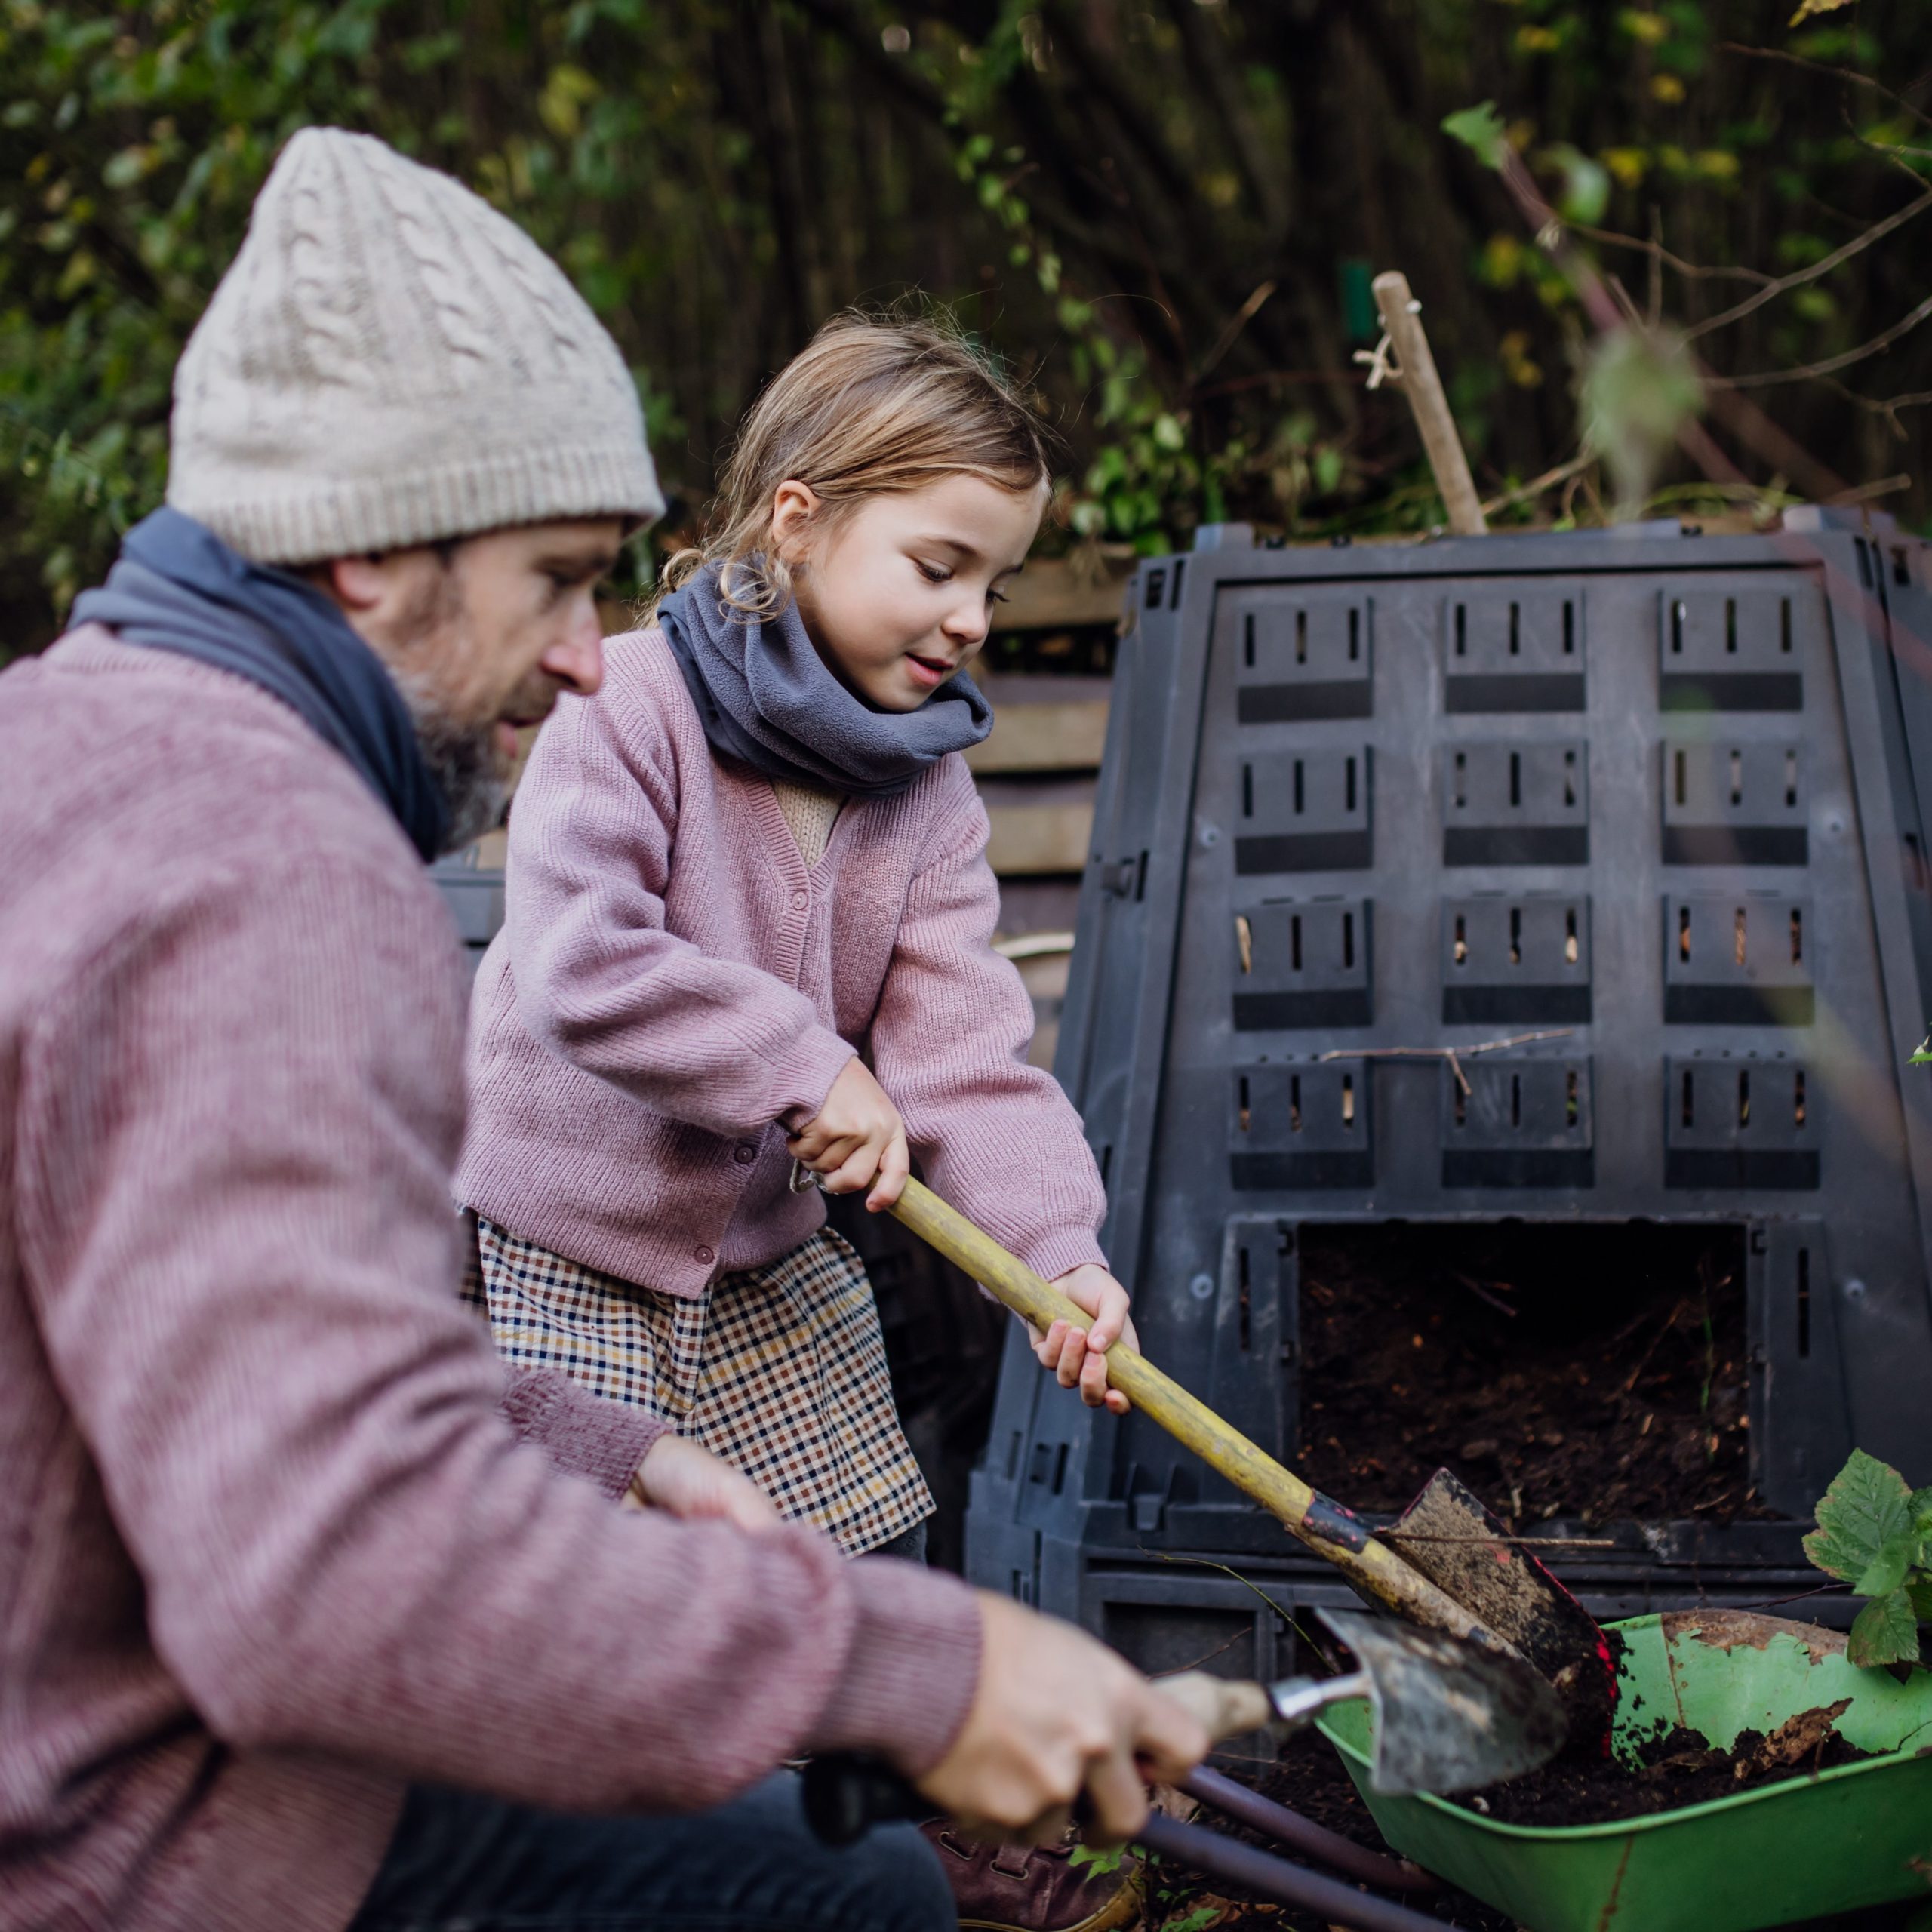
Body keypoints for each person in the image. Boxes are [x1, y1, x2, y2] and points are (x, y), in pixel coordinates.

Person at [0, 128, 1207, 1932]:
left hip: (105, 1716)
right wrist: (915, 1671)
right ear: (367, 561)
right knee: (852, 1900)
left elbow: (211, 1372)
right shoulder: (281, 879)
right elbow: (320, 1581)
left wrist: (583, 1444)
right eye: (558, 573)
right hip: (140, 1832)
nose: (583, 647)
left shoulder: (54, 743)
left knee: (855, 1830)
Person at [456, 315, 1135, 1584]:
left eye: (996, 586)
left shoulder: (927, 795)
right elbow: (580, 965)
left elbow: (965, 1065)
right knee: (599, 1601)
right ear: (798, 521)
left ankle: (821, 1785)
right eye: (939, 568)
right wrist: (805, 1065)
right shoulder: (623, 708)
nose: (973, 619)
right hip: (564, 1255)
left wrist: (1060, 1257)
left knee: (844, 1590)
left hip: (763, 1268)